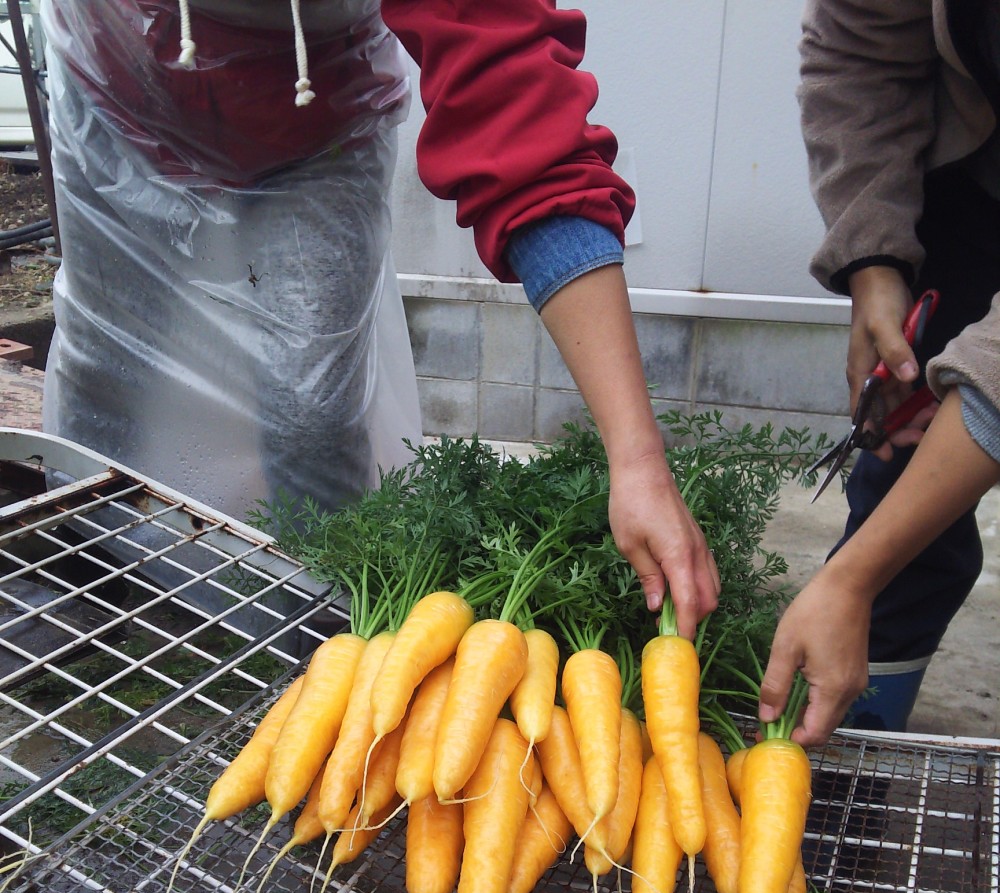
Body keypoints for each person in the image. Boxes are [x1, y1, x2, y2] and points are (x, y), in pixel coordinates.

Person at [38, 0, 719, 641]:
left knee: (312, 413)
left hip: (312, 128)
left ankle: (319, 636)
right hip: (114, 100)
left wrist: (636, 455)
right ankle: (85, 587)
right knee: (108, 367)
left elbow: (514, 111)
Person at [759, 0, 1000, 746]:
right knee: (901, 490)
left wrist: (849, 578)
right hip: (975, 165)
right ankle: (851, 737)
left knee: (871, 563)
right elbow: (859, 46)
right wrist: (874, 262)